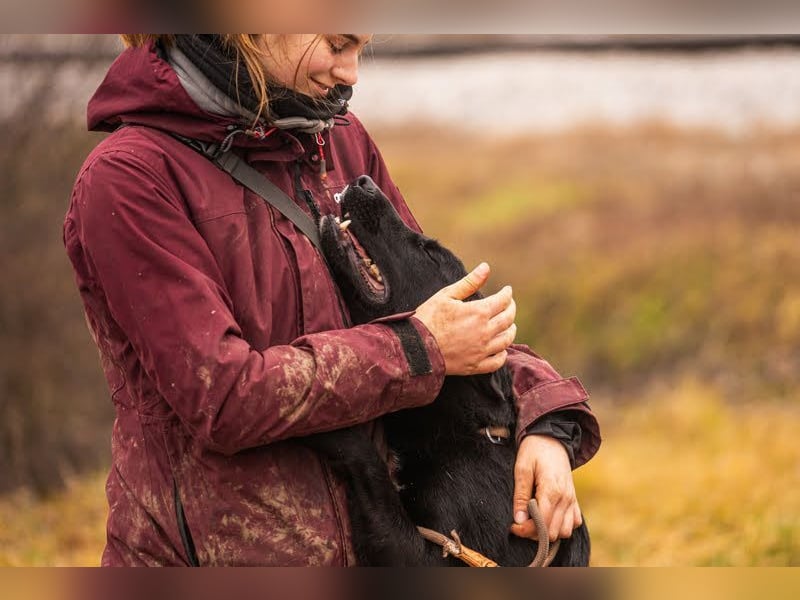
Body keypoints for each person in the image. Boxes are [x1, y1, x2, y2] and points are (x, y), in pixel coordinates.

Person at [64, 34, 601, 566]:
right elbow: (224, 398)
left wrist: (544, 425)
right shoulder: (127, 179)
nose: (351, 74)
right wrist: (416, 351)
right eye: (339, 44)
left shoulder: (335, 139)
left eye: (361, 48)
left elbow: (444, 315)